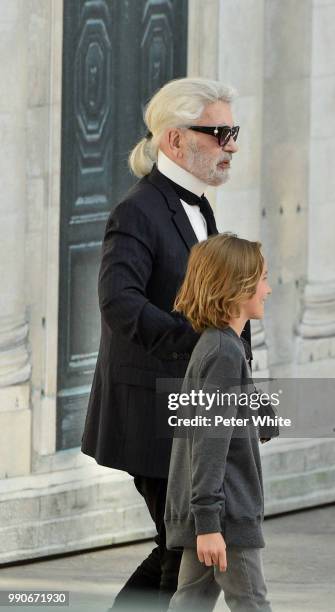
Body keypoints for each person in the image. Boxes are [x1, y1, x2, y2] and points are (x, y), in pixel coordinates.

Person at [80, 77, 252, 610]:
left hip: (192, 410)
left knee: (180, 550)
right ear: (175, 140)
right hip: (153, 414)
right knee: (182, 550)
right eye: (219, 133)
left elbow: (218, 308)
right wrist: (200, 348)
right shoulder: (137, 211)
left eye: (233, 131)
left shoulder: (199, 206)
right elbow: (119, 304)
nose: (232, 145)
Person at [165, 233, 274, 611]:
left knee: (190, 603)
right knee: (252, 604)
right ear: (236, 287)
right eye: (262, 279)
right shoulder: (223, 353)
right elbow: (209, 444)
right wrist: (210, 524)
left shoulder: (219, 345)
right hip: (225, 515)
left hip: (213, 513)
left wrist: (258, 409)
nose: (268, 288)